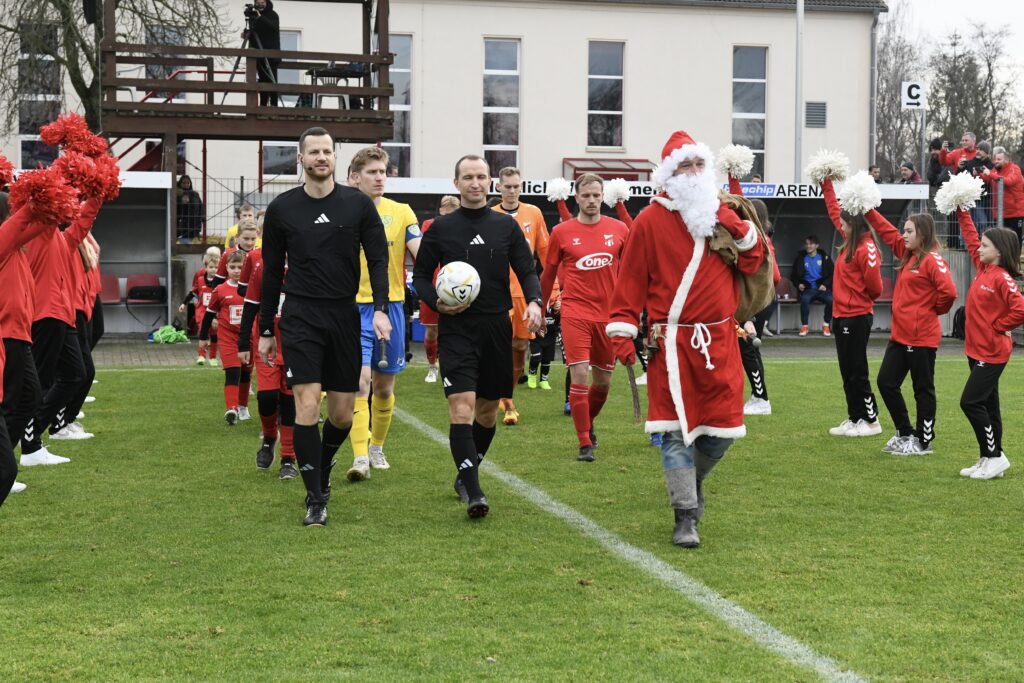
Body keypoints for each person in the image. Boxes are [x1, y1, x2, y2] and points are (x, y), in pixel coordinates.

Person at [606, 130, 765, 548]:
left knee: (722, 432)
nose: (693, 174)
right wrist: (623, 331)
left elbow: (756, 262)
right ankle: (685, 515)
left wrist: (734, 223)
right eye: (684, 166)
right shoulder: (649, 221)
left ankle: (689, 485)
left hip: (719, 342)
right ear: (668, 175)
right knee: (675, 431)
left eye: (698, 165)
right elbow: (629, 284)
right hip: (670, 343)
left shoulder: (723, 213)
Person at [259, 126, 391, 527]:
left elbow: (379, 259)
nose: (321, 157)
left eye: (327, 151)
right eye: (313, 151)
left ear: (335, 157)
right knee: (307, 404)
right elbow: (270, 274)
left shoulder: (358, 205)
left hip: (344, 315)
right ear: (300, 159)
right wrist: (266, 327)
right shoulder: (282, 209)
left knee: (342, 416)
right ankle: (315, 498)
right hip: (300, 315)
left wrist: (381, 308)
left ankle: (322, 462)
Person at [412, 154, 543, 519]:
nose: (475, 183)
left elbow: (527, 269)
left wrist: (534, 302)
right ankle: (474, 492)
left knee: (486, 413)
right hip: (458, 330)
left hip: (497, 328)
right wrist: (436, 301)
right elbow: (421, 277)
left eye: (481, 177)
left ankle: (466, 471)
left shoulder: (506, 227)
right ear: (456, 184)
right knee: (462, 406)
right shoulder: (440, 228)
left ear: (492, 183)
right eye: (467, 177)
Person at [539, 173, 629, 461]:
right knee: (579, 373)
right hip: (575, 311)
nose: (592, 200)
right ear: (575, 197)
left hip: (610, 316)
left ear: (603, 196)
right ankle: (583, 443)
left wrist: (632, 311)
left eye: (596, 195)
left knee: (602, 383)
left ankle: (588, 425)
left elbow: (632, 274)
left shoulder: (619, 230)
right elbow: (548, 274)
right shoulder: (562, 232)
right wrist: (540, 311)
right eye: (586, 195)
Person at [344, 146, 421, 481]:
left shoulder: (402, 212)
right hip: (351, 307)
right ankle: (360, 457)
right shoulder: (342, 212)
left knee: (384, 386)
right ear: (354, 177)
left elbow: (422, 253)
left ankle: (377, 447)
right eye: (372, 172)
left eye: (383, 171)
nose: (380, 177)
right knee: (360, 384)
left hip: (390, 307)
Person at [864, 210, 957, 452]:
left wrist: (931, 310)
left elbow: (949, 293)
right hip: (900, 335)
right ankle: (904, 433)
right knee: (886, 382)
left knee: (922, 390)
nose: (904, 235)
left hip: (922, 337)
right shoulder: (908, 255)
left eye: (909, 231)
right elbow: (886, 232)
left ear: (922, 234)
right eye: (904, 230)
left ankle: (924, 441)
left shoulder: (932, 259)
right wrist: (868, 210)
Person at [954, 210, 1024, 479]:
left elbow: (1020, 309)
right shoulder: (984, 268)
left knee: (970, 402)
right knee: (989, 405)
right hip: (976, 350)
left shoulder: (1002, 277)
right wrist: (962, 211)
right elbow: (971, 239)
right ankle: (991, 456)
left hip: (992, 352)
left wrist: (999, 326)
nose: (979, 248)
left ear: (999, 251)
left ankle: (993, 456)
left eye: (985, 246)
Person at [0, 186, 59, 503]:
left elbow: (40, 222)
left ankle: (4, 464)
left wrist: (64, 196)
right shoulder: (1, 243)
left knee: (29, 399)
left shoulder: (16, 249)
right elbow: (24, 220)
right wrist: (40, 191)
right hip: (5, 337)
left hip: (20, 336)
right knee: (11, 404)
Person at [819, 176, 884, 438]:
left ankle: (871, 420)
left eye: (845, 225)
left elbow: (876, 288)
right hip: (841, 315)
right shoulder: (851, 241)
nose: (841, 228)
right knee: (847, 371)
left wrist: (856, 298)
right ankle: (854, 416)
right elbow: (835, 211)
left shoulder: (866, 248)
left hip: (856, 316)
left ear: (854, 225)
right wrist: (826, 183)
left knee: (858, 371)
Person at [491, 166, 550, 426]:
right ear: (498, 187)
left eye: (517, 186)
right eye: (508, 186)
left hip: (524, 294)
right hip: (497, 294)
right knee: (497, 349)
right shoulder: (489, 215)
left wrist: (554, 289)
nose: (512, 191)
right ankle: (506, 402)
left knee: (519, 347)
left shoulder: (533, 213)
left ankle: (507, 396)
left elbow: (546, 253)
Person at [236, 240, 298, 479]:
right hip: (267, 345)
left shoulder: (305, 266)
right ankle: (269, 436)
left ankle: (288, 458)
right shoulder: (263, 266)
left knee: (290, 401)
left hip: (295, 346)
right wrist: (243, 343)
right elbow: (250, 306)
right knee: (267, 398)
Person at [199, 250, 252, 424]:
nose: (237, 270)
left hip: (249, 338)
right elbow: (208, 314)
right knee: (233, 372)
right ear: (226, 268)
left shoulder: (254, 288)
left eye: (241, 267)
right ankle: (232, 409)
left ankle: (243, 406)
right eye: (233, 267)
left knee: (245, 374)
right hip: (228, 339)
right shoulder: (220, 290)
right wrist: (203, 337)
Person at [420, 196, 460, 383]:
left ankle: (453, 367)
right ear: (441, 211)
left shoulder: (465, 226)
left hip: (459, 284)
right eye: (446, 212)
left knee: (457, 331)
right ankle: (431, 366)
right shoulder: (429, 225)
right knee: (432, 330)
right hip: (434, 284)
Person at [180, 251, 220, 364]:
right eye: (211, 267)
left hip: (215, 312)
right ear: (205, 268)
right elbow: (193, 292)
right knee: (204, 331)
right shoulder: (201, 280)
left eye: (216, 267)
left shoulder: (221, 282)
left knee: (214, 334)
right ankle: (201, 356)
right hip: (202, 311)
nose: (214, 270)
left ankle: (212, 357)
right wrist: (184, 303)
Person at [790, 235, 833, 336]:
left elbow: (832, 274)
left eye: (811, 244)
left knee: (831, 300)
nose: (808, 246)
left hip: (821, 289)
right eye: (807, 244)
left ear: (817, 245)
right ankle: (805, 326)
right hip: (808, 289)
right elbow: (793, 276)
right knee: (804, 300)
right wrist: (798, 284)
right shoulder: (801, 258)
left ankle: (826, 325)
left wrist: (825, 285)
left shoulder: (825, 257)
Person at [241, 0, 281, 107]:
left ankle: (274, 106)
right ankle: (263, 106)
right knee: (262, 82)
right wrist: (246, 34)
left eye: (262, 2)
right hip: (258, 55)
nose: (260, 5)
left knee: (272, 82)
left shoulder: (273, 15)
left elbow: (273, 28)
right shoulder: (254, 16)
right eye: (258, 2)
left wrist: (260, 18)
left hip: (271, 55)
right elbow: (255, 33)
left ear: (267, 2)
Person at [982, 147, 1024, 241]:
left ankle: (1014, 256)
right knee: (1002, 241)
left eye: (999, 159)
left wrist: (990, 174)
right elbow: (987, 178)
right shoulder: (996, 169)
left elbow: (1009, 181)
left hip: (1015, 213)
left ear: (1006, 160)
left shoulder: (1015, 169)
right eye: (995, 159)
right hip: (999, 212)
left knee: (1015, 240)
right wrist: (979, 173)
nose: (995, 161)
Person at [527, 279, 560, 390]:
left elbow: (561, 318)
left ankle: (544, 380)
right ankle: (532, 375)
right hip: (537, 334)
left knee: (546, 359)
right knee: (536, 357)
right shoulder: (537, 301)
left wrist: (559, 309)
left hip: (550, 334)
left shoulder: (558, 302)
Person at [214, 219, 259, 286]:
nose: (250, 243)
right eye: (246, 239)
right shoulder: (228, 254)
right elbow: (218, 281)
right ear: (237, 237)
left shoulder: (260, 254)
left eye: (253, 239)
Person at [176, 175, 204, 243]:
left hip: (195, 225)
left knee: (195, 245)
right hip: (183, 226)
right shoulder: (177, 195)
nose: (186, 185)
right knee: (185, 245)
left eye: (188, 183)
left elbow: (201, 207)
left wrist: (203, 218)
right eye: (184, 183)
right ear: (180, 184)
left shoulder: (195, 194)